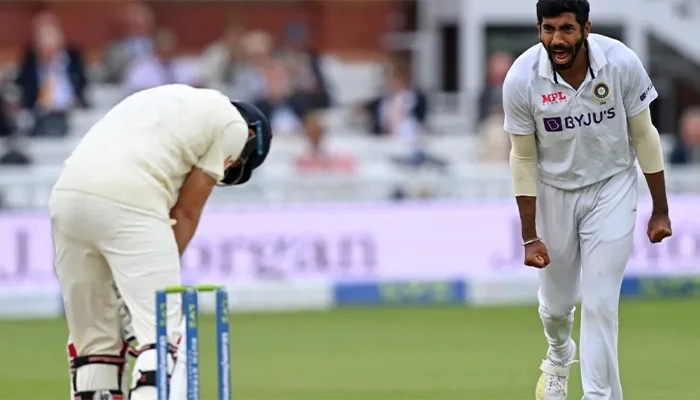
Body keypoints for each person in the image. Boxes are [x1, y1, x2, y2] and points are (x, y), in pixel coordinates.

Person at [49, 84, 272, 400]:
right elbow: (186, 211)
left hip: (65, 198)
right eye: (232, 166)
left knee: (95, 346)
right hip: (129, 198)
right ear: (252, 138)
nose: (228, 166)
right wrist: (147, 275)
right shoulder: (234, 127)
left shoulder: (167, 100)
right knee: (163, 338)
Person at [502, 1, 672, 399]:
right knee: (557, 307)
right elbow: (524, 157)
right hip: (554, 191)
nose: (556, 40)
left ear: (586, 29)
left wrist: (660, 208)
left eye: (566, 29)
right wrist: (529, 236)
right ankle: (559, 356)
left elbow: (645, 136)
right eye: (548, 29)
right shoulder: (521, 79)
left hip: (612, 186)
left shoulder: (620, 63)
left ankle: (597, 396)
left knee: (600, 305)